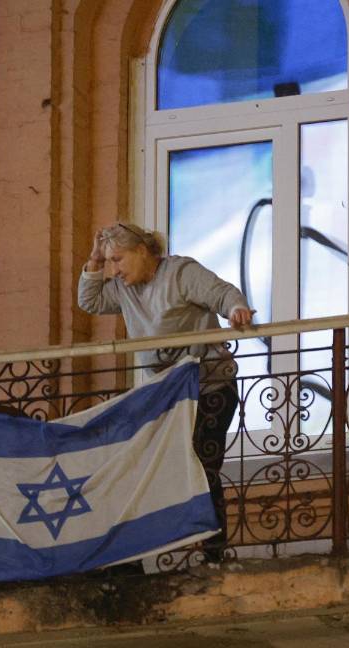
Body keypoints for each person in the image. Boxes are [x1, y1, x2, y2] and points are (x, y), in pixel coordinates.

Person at [77, 222, 254, 564]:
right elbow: (90, 300)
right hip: (168, 396)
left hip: (210, 388)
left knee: (200, 464)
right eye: (110, 262)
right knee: (153, 467)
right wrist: (95, 260)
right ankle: (148, 556)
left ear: (142, 250)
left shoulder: (180, 273)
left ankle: (215, 555)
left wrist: (236, 310)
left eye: (118, 259)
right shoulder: (124, 288)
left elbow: (222, 293)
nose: (115, 269)